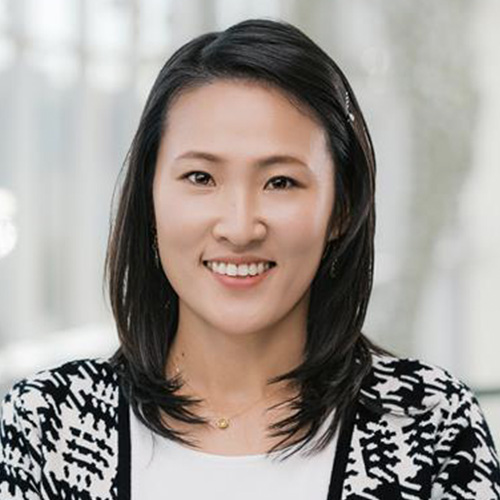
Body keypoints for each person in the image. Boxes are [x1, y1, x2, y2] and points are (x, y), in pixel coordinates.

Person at [1, 17, 499, 500]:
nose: (239, 228)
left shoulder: (428, 424)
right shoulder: (49, 427)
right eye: (200, 178)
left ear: (341, 209)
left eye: (281, 182)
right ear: (149, 198)